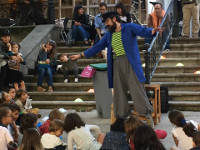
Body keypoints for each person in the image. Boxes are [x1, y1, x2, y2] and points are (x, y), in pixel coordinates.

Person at [70, 12, 161, 127]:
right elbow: (97, 46)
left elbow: (142, 31)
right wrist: (81, 55)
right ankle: (123, 118)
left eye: (107, 21)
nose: (106, 24)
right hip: (116, 64)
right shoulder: (109, 35)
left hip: (130, 62)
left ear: (114, 19)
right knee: (119, 91)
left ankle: (147, 115)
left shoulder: (129, 27)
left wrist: (151, 31)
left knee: (136, 89)